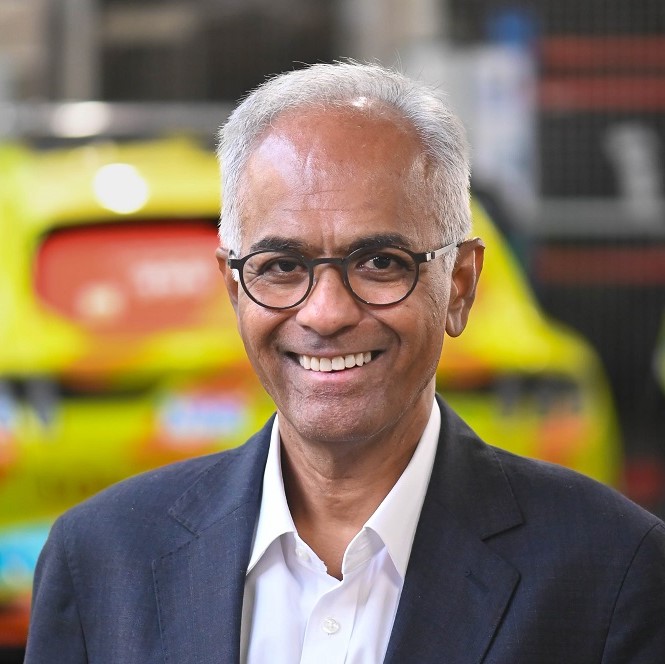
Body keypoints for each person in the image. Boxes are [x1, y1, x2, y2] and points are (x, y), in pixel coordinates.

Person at [25, 62, 665, 664]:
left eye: (381, 263)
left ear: (460, 285)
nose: (326, 313)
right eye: (281, 266)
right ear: (233, 289)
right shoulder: (100, 560)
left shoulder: (612, 571)